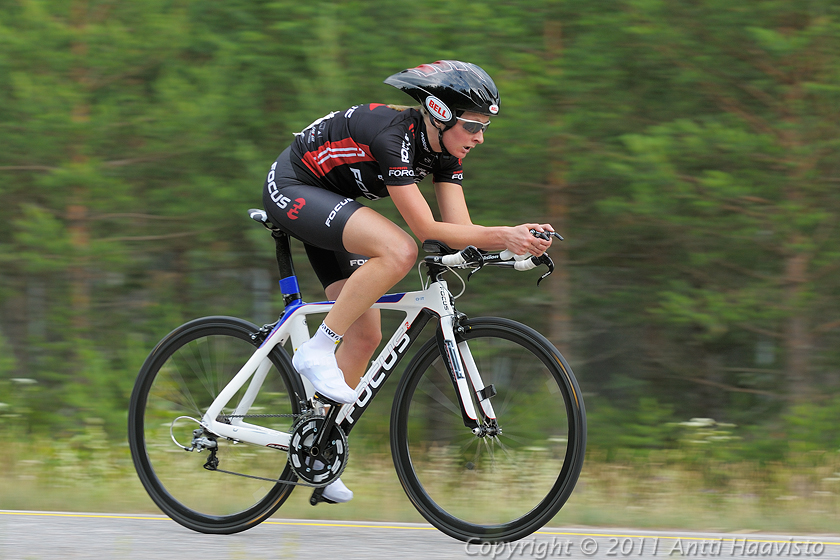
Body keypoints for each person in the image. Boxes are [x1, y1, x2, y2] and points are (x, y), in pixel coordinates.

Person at [261, 60, 555, 503]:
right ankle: (317, 348)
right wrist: (504, 234)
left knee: (364, 333)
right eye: (473, 125)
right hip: (294, 186)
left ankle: (319, 449)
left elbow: (458, 229)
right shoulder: (394, 137)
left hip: (332, 200)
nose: (479, 137)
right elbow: (425, 229)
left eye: (485, 128)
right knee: (399, 249)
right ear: (438, 112)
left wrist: (513, 247)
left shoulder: (444, 152)